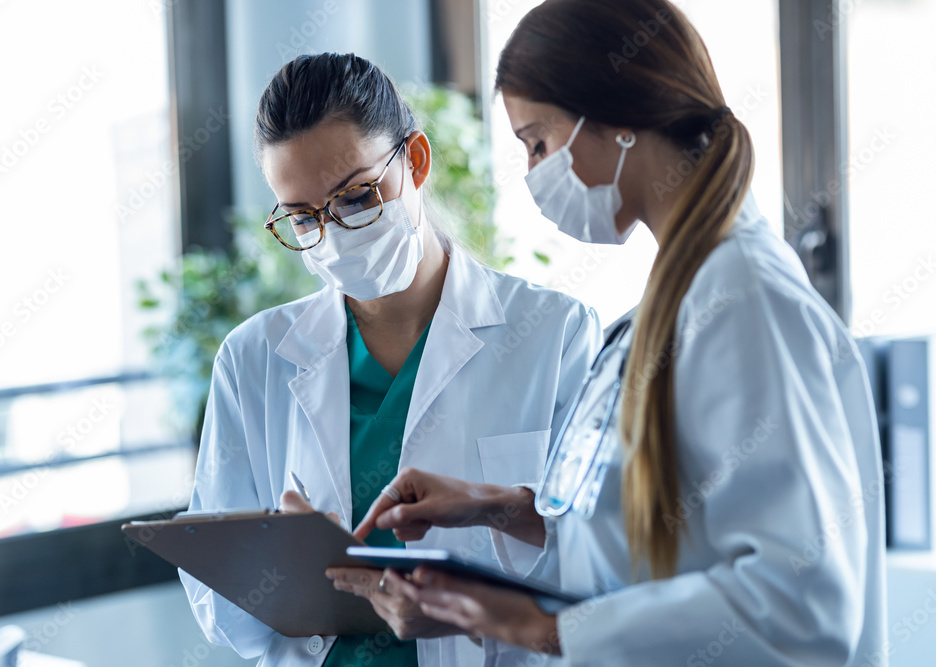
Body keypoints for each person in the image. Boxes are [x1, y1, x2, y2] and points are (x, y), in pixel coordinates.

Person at [341, 1, 888, 665]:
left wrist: (541, 626)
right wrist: (501, 507)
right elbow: (659, 539)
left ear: (617, 118)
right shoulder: (675, 300)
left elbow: (801, 602)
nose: (537, 172)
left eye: (538, 142)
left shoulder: (744, 303)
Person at [177, 52, 600, 667]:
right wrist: (276, 554)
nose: (335, 233)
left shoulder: (555, 335)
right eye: (302, 217)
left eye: (356, 197)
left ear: (417, 161)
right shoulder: (254, 357)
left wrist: (487, 549)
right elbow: (220, 610)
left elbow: (603, 562)